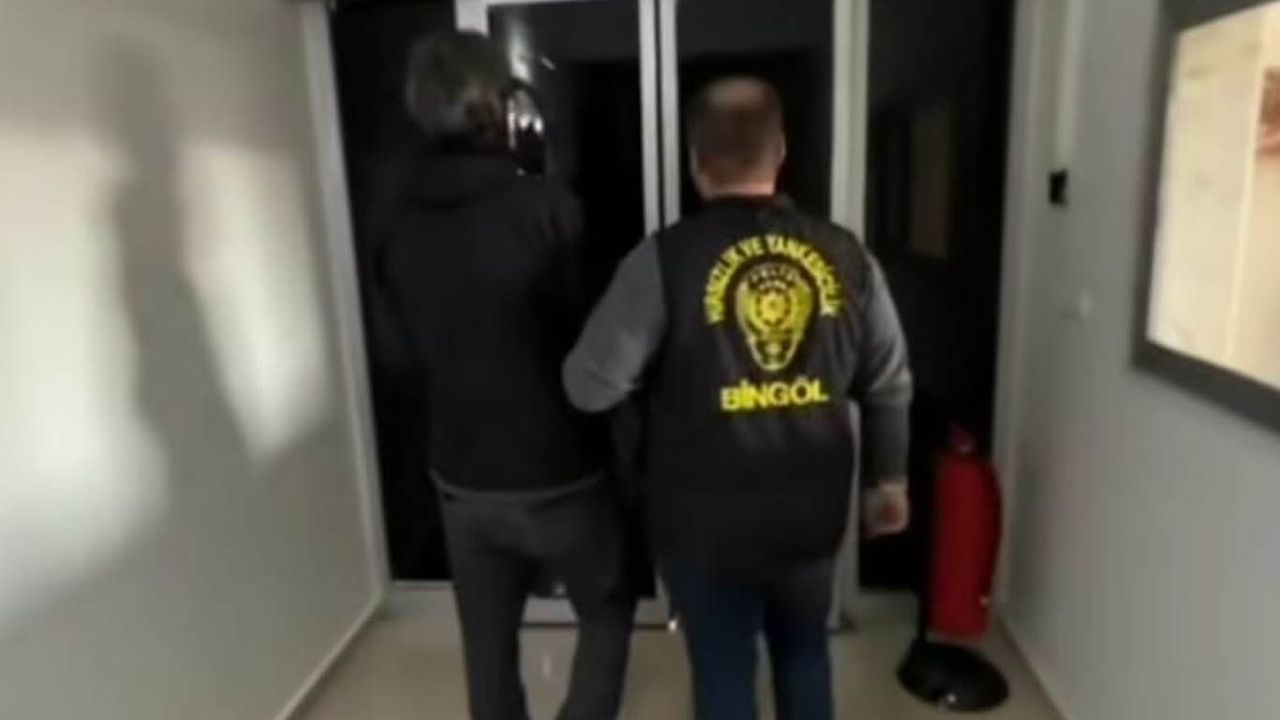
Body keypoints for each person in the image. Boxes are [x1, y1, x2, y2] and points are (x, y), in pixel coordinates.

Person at [563, 77, 912, 720]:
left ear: (696, 160)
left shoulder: (662, 262)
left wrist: (656, 370)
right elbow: (889, 381)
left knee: (723, 673)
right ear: (780, 151)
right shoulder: (847, 255)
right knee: (805, 656)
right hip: (810, 516)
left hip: (703, 526)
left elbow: (588, 388)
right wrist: (887, 480)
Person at [380, 31, 634, 720]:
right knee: (606, 610)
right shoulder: (546, 208)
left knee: (486, 646)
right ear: (499, 106)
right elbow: (596, 350)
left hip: (462, 474)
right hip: (563, 472)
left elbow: (400, 356)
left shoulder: (396, 223)